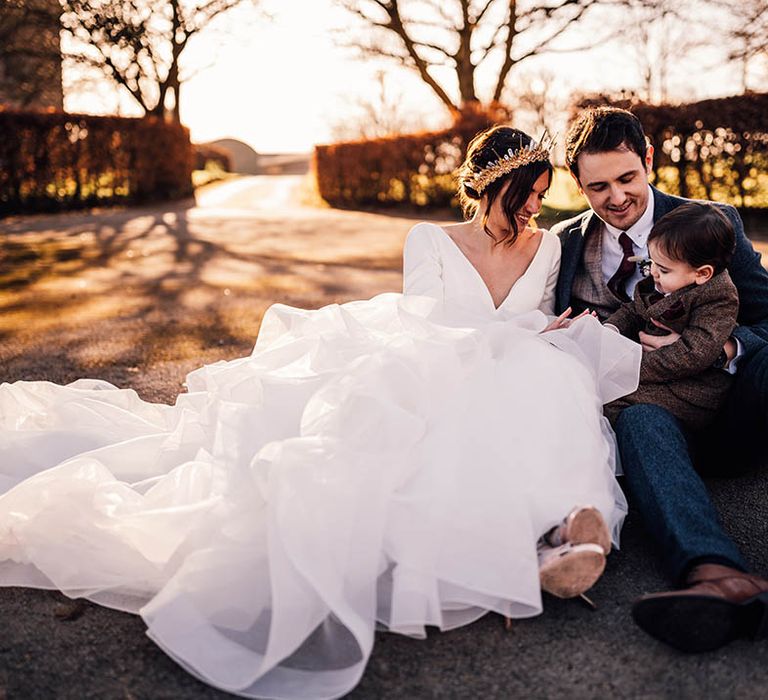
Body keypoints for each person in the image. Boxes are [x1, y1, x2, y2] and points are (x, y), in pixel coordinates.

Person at [0, 126, 640, 700]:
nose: (536, 207)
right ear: (492, 187)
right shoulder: (432, 239)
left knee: (553, 377)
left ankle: (562, 527)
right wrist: (509, 337)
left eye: (541, 194)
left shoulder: (547, 247)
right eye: (526, 193)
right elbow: (426, 320)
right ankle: (533, 537)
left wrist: (539, 330)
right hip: (438, 361)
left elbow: (530, 318)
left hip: (518, 361)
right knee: (445, 423)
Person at [552, 105, 768, 653]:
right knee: (641, 422)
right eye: (597, 186)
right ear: (577, 182)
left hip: (723, 404)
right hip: (643, 414)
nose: (617, 197)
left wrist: (726, 347)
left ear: (647, 160)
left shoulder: (712, 220)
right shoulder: (563, 241)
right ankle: (718, 575)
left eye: (627, 178)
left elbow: (766, 312)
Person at [603, 202, 739, 430]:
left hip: (692, 391)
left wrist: (632, 367)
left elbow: (692, 353)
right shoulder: (668, 281)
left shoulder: (718, 298)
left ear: (702, 273)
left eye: (663, 269)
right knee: (601, 387)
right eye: (652, 262)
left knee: (611, 398)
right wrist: (611, 329)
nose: (653, 272)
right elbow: (635, 310)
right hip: (662, 377)